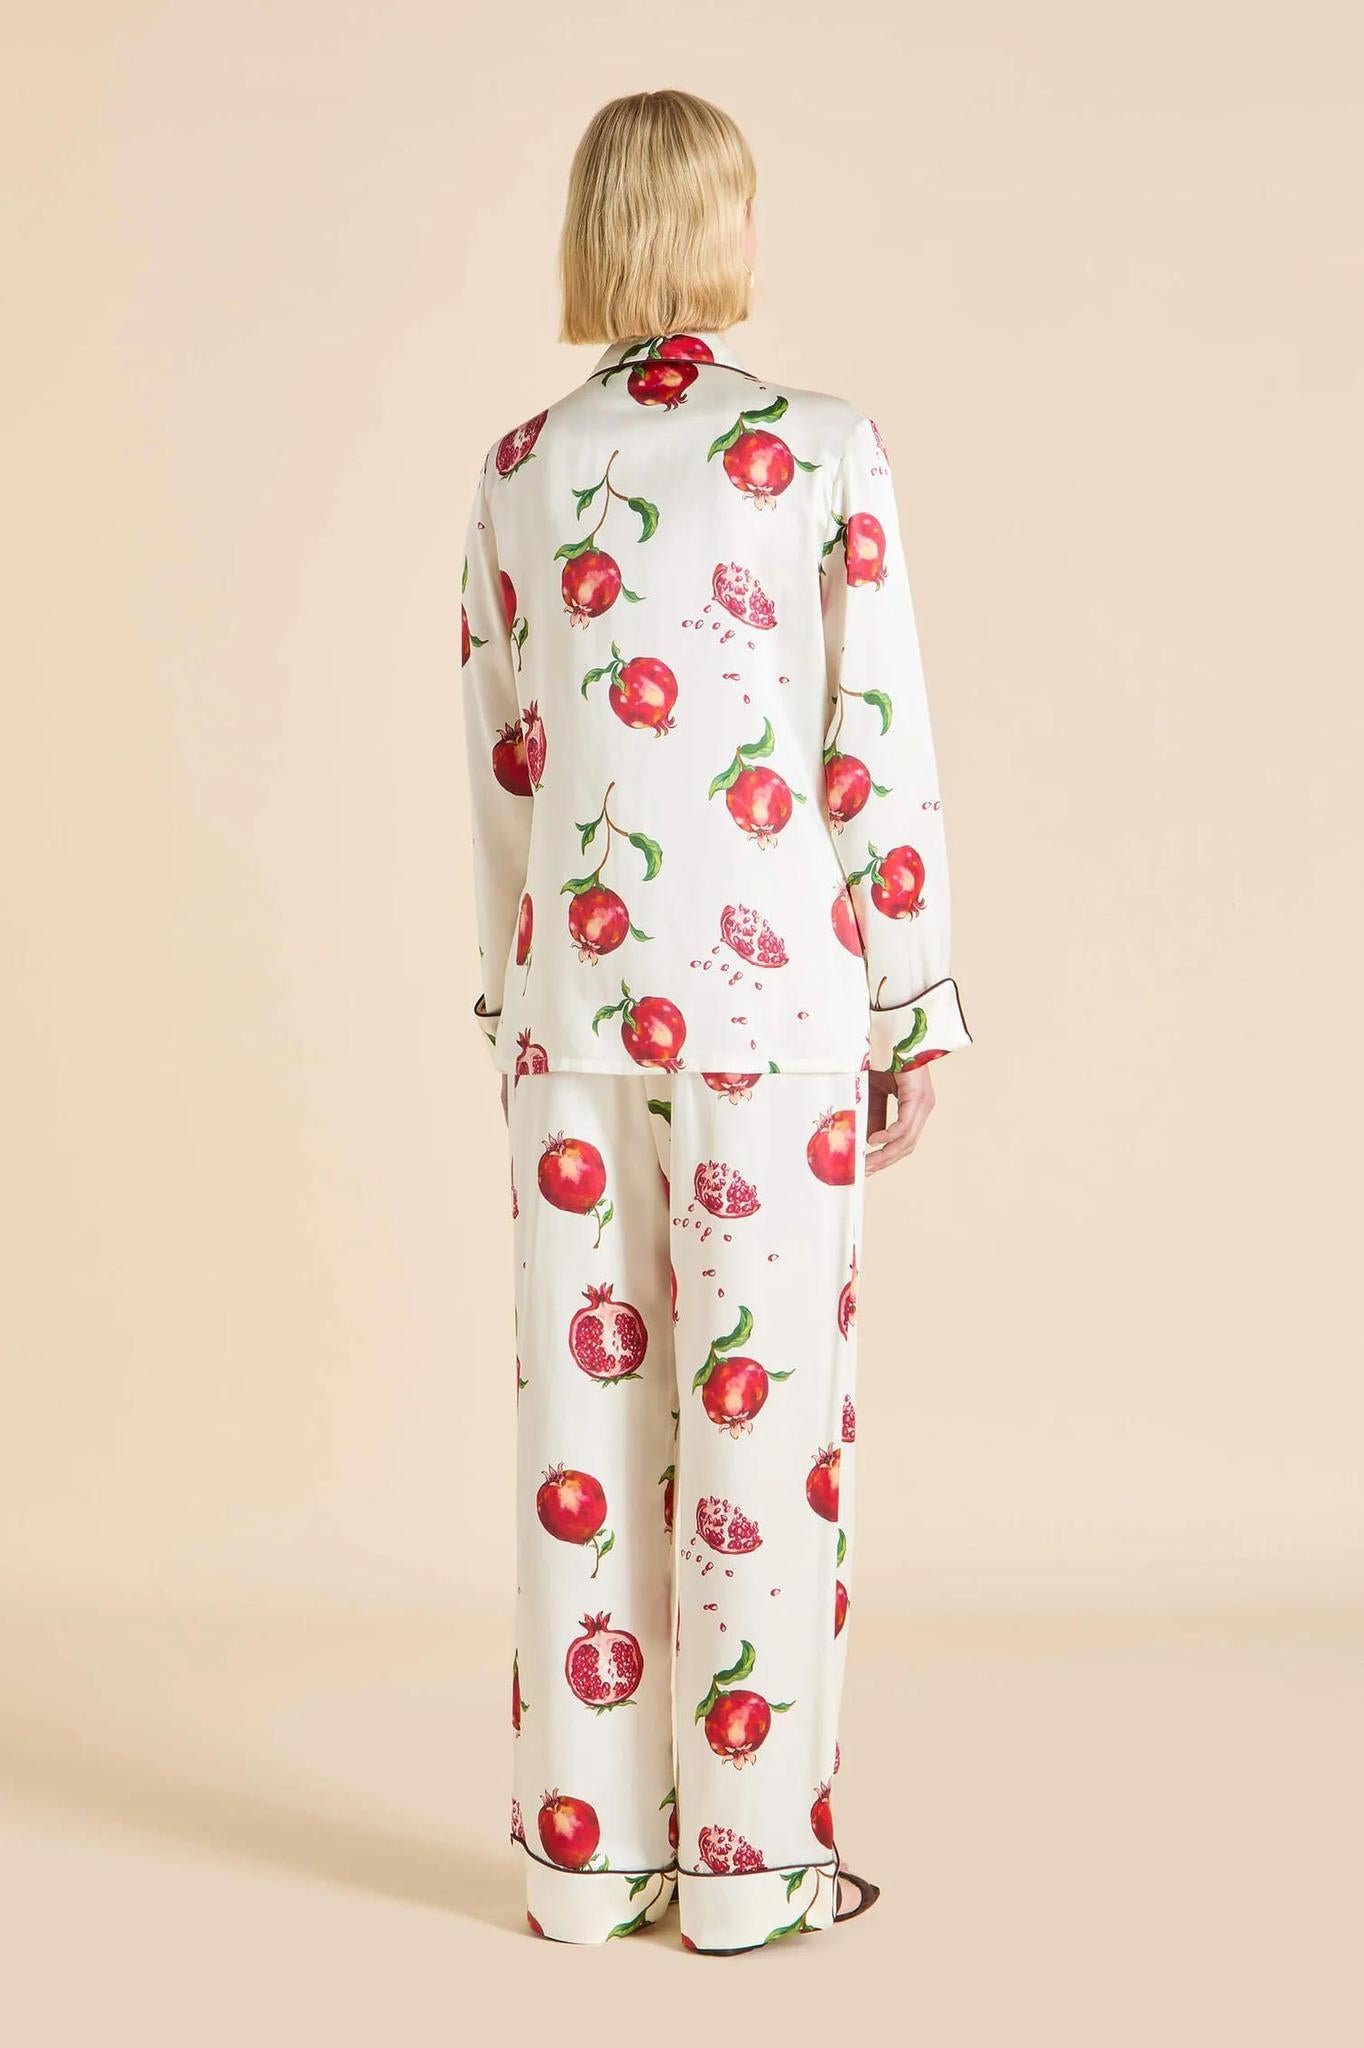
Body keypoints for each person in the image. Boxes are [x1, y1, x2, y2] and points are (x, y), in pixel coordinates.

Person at [459, 88, 970, 1953]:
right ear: (724, 228)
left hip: (577, 1007)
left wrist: (513, 1005)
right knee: (772, 1444)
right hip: (780, 1021)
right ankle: (751, 1881)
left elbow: (506, 772)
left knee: (585, 1443)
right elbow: (870, 741)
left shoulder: (521, 467)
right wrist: (913, 1003)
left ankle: (588, 1865)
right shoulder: (824, 448)